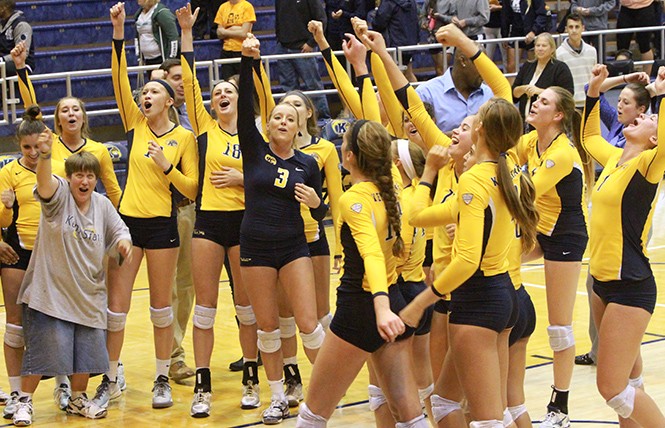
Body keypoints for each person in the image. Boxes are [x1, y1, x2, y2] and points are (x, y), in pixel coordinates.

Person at [399, 85, 538, 428]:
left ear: (480, 130)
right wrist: (429, 173)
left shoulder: (476, 180)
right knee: (447, 403)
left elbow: (466, 261)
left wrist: (421, 302)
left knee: (487, 418)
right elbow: (418, 216)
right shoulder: (505, 173)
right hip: (503, 295)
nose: (460, 129)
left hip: (478, 301)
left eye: (467, 124)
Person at [11, 40, 128, 410]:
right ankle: (26, 399)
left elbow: (119, 225)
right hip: (49, 282)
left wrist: (124, 243)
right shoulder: (58, 187)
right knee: (47, 350)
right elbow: (44, 183)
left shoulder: (102, 202)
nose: (83, 180)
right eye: (77, 175)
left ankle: (77, 396)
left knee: (85, 355)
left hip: (88, 291)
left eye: (88, 177)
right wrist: (44, 154)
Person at [294, 117, 427, 428]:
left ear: (349, 156)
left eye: (344, 145)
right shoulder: (393, 182)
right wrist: (364, 70)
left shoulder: (354, 199)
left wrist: (380, 310)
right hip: (393, 301)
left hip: (361, 309)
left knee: (312, 414)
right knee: (408, 413)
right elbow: (373, 119)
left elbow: (371, 256)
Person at [110, 1, 199, 409]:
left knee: (162, 308)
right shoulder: (135, 123)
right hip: (128, 224)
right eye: (143, 92)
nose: (145, 95)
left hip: (163, 225)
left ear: (168, 101)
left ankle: (162, 377)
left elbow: (193, 189)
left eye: (153, 92)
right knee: (117, 307)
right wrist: (118, 31)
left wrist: (167, 168)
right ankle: (111, 376)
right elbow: (118, 79)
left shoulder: (182, 138)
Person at [176, 4, 259, 417]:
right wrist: (187, 33)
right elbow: (190, 81)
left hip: (246, 226)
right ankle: (203, 387)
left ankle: (251, 377)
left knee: (246, 307)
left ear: (240, 101)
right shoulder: (205, 129)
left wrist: (242, 179)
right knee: (205, 310)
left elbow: (266, 180)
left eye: (228, 91)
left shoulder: (253, 134)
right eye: (216, 94)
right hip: (209, 224)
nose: (221, 95)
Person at [239, 33, 327, 425]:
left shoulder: (308, 164)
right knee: (268, 329)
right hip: (255, 248)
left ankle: (324, 394)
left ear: (298, 127)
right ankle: (276, 398)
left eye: (290, 118)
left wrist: (316, 205)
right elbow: (244, 108)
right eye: (277, 116)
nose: (282, 122)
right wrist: (248, 61)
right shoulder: (254, 150)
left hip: (294, 247)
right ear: (269, 123)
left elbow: (320, 206)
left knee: (309, 325)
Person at [582, 63, 665, 428]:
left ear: (654, 139)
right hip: (601, 280)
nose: (640, 116)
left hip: (630, 285)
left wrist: (660, 94)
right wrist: (593, 92)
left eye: (648, 118)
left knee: (612, 389)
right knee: (630, 383)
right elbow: (588, 139)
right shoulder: (616, 159)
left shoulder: (649, 164)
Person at [517, 85, 592, 428]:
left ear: (558, 115)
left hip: (565, 235)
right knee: (492, 265)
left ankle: (559, 409)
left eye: (543, 102)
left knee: (559, 327)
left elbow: (524, 190)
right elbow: (502, 157)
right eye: (536, 98)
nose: (534, 104)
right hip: (539, 229)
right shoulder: (531, 141)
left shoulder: (562, 152)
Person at [154, 57, 197, 383]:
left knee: (187, 286)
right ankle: (171, 356)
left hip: (195, 210)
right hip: (160, 210)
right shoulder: (150, 121)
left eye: (186, 78)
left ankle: (176, 353)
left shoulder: (197, 117)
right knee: (166, 290)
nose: (182, 83)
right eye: (175, 79)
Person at [0, 107, 44, 420]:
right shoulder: (7, 173)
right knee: (15, 329)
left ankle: (66, 386)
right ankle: (16, 393)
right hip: (17, 254)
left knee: (54, 326)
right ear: (19, 146)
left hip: (53, 256)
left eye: (36, 147)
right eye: (26, 148)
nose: (31, 153)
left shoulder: (56, 169)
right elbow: (2, 220)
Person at [415, 47, 494, 133]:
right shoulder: (426, 94)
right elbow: (415, 137)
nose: (485, 72)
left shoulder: (490, 95)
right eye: (481, 66)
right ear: (463, 61)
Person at [275, 0, 331, 120]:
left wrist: (311, 43)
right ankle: (290, 119)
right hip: (284, 47)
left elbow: (321, 19)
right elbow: (279, 17)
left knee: (313, 86)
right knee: (288, 88)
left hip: (304, 48)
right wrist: (279, 39)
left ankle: (323, 120)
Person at [512, 33, 574, 122]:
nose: (540, 48)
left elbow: (568, 95)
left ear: (552, 49)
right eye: (538, 45)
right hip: (525, 122)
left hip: (549, 122)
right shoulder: (527, 66)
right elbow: (514, 94)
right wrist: (524, 89)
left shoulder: (560, 68)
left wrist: (540, 92)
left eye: (544, 46)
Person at [501, 0, 550, 82]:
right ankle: (511, 93)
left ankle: (533, 91)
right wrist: (504, 35)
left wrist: (534, 31)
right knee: (511, 67)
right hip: (516, 32)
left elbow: (542, 15)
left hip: (532, 33)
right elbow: (505, 15)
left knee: (534, 66)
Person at [556, 13, 597, 109]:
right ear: (566, 29)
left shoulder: (592, 51)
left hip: (589, 101)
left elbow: (594, 77)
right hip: (569, 104)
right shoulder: (559, 54)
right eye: (571, 27)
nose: (574, 30)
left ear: (583, 28)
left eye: (577, 27)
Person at [372, 0, 420, 82]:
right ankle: (416, 94)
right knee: (408, 73)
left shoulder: (389, 2)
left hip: (394, 43)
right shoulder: (411, 1)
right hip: (410, 42)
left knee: (396, 77)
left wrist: (374, 17)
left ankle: (405, 94)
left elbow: (379, 23)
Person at [214, 0, 255, 79]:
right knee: (228, 82)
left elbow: (243, 33)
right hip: (226, 51)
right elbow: (219, 33)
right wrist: (235, 29)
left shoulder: (247, 6)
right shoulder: (222, 7)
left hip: (243, 50)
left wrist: (226, 31)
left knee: (244, 82)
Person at [616, 0, 657, 76]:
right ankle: (621, 78)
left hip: (645, 8)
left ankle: (646, 78)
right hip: (626, 9)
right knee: (622, 48)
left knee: (645, 46)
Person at [134, 0, 180, 65]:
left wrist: (170, 59)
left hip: (161, 58)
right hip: (147, 59)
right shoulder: (138, 14)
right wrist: (139, 57)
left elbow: (173, 38)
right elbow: (137, 36)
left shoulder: (162, 13)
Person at [0, 0, 34, 76]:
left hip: (23, 65)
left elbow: (22, 53)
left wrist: (2, 59)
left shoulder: (21, 25)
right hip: (3, 63)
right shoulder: (2, 25)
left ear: (3, 8)